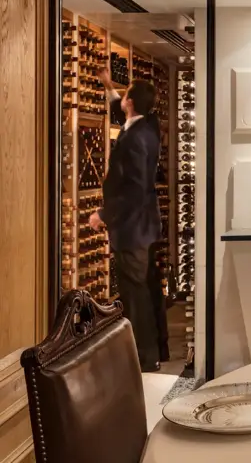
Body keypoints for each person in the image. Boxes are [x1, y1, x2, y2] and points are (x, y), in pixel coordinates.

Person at [89, 69, 162, 372]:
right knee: (146, 289)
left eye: (125, 93)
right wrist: (108, 86)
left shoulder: (135, 139)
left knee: (135, 294)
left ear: (130, 102)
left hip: (132, 227)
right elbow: (124, 117)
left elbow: (134, 188)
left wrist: (103, 214)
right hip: (145, 225)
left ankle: (144, 357)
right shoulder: (145, 127)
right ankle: (157, 351)